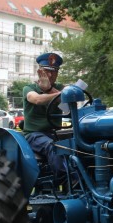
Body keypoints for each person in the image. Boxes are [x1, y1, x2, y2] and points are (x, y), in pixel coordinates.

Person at [22, 52, 72, 184]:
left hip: (56, 133)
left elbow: (70, 100)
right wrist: (56, 94)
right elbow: (37, 99)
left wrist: (49, 89)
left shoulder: (61, 88)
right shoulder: (29, 88)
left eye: (54, 72)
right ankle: (66, 181)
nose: (50, 75)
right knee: (52, 146)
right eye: (47, 71)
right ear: (39, 71)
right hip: (34, 135)